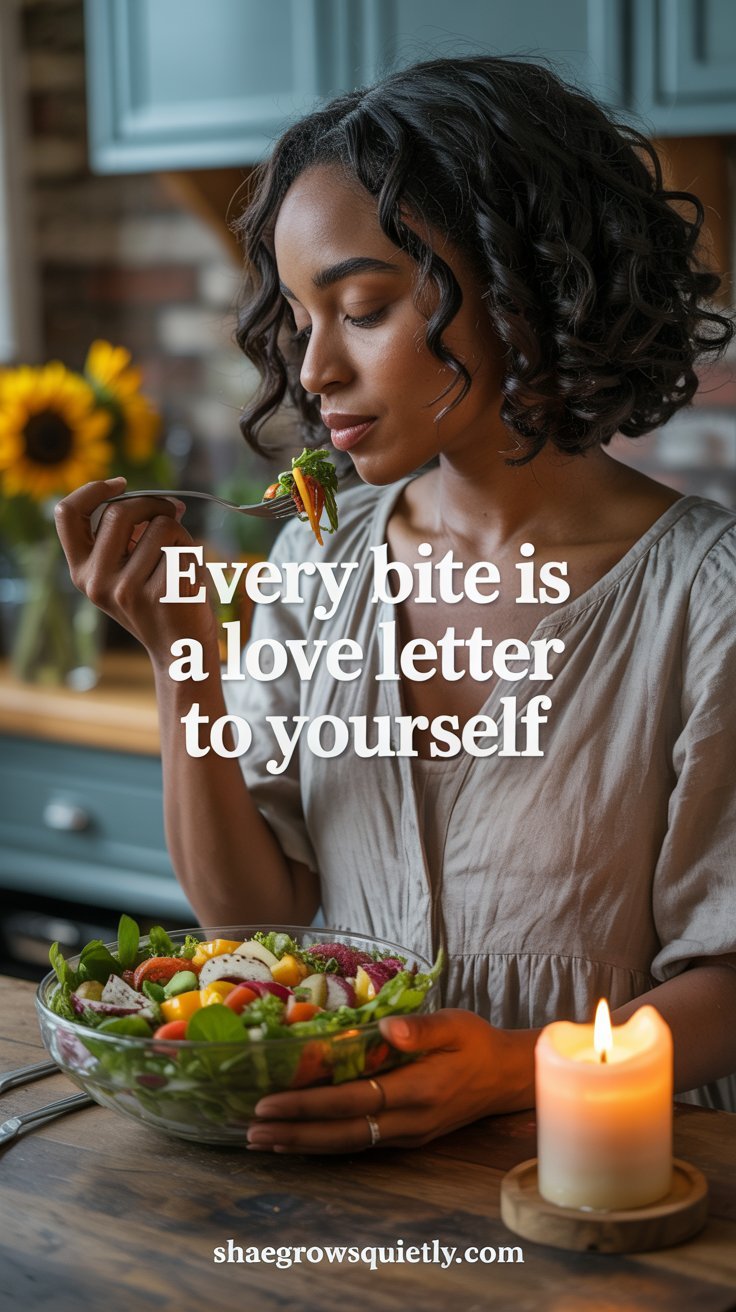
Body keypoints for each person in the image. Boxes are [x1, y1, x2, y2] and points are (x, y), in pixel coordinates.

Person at [56, 55, 736, 1151]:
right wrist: (186, 664)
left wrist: (510, 1071)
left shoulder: (708, 600)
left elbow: (727, 981)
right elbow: (254, 923)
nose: (314, 367)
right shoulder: (315, 567)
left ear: (521, 286)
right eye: (297, 316)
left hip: (597, 1176)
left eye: (361, 306)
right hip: (345, 1175)